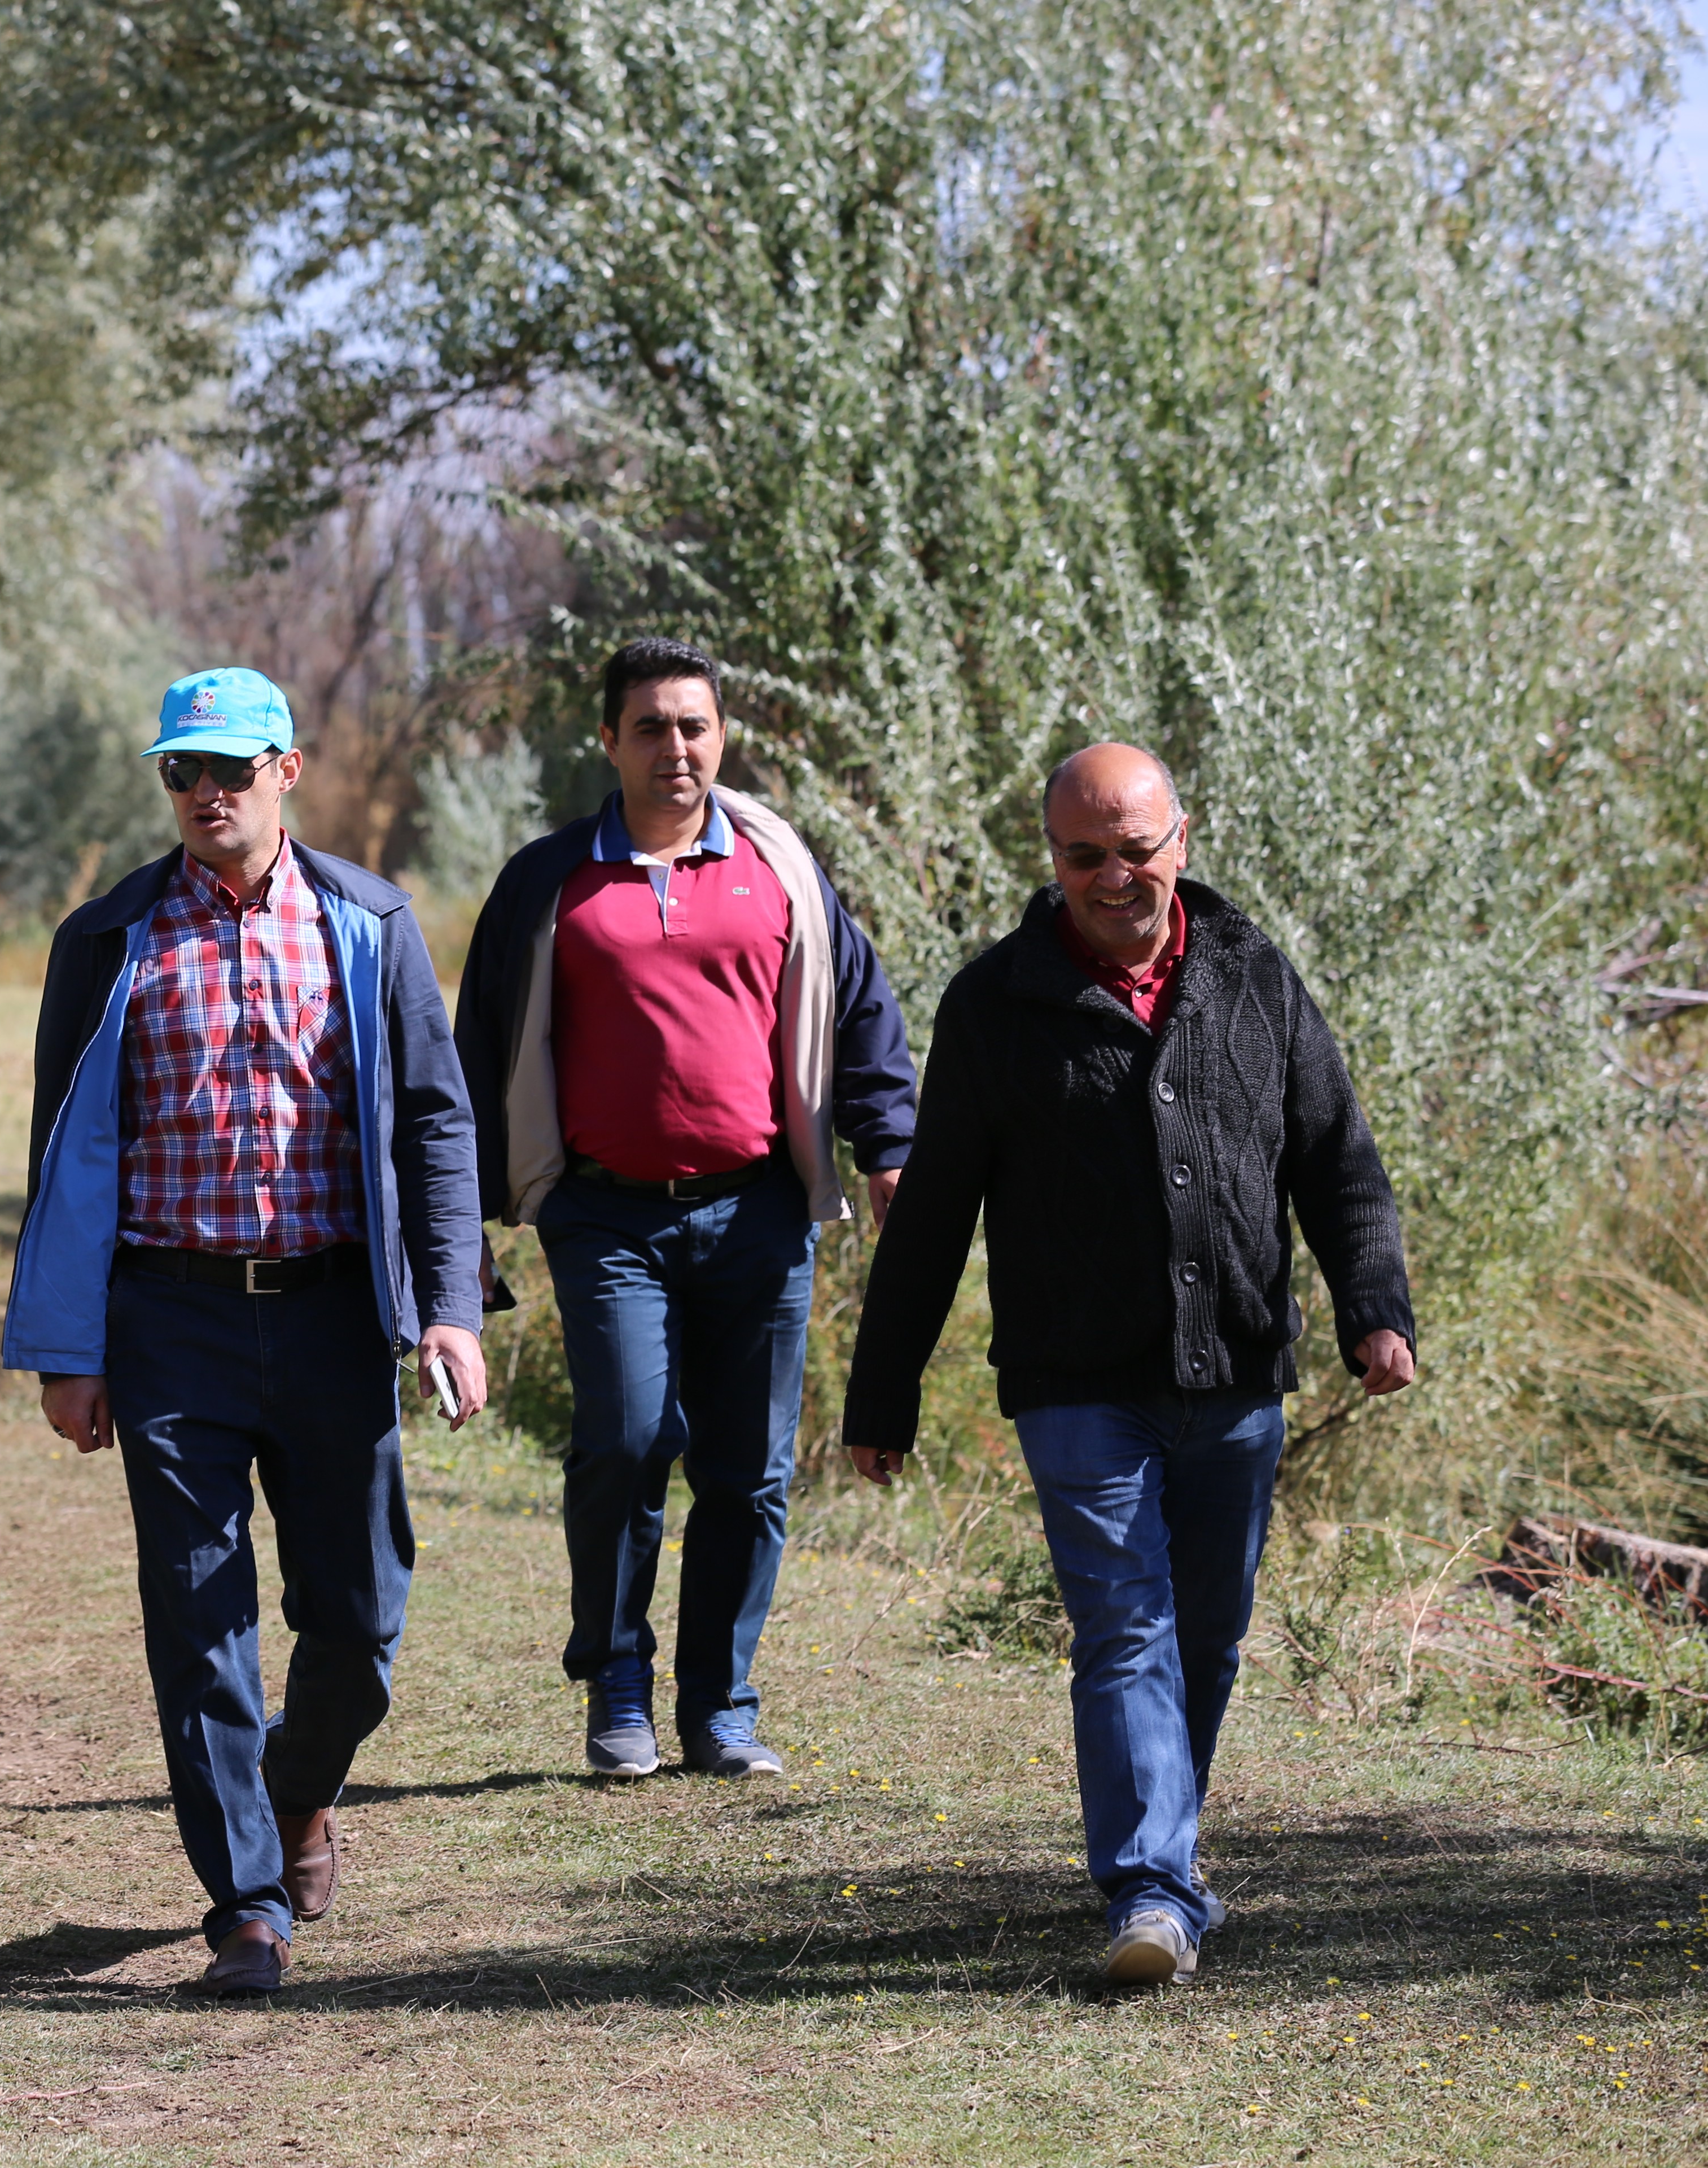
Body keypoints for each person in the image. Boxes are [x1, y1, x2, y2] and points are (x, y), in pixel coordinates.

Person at [839, 742, 1416, 1988]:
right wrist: (883, 1394)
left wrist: (1376, 1308)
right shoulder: (996, 1004)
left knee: (1206, 1635)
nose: (1113, 876)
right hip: (1076, 1383)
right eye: (1083, 855)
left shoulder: (1254, 975)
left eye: (1135, 849)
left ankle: (1168, 1858)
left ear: (1182, 841)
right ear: (1053, 861)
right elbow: (934, 1214)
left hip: (1238, 1380)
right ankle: (1151, 1892)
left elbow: (1337, 1158)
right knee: (1126, 1626)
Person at [5, 667, 485, 1998]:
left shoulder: (370, 920)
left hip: (334, 1309)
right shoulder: (105, 937)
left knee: (360, 1617)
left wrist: (446, 1305)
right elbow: (61, 1151)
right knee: (197, 1615)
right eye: (179, 771)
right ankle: (247, 1905)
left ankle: (291, 1788)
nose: (203, 792)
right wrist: (70, 1346)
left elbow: (436, 1123)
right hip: (169, 1320)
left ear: (286, 767)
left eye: (227, 767)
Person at [454, 639, 918, 1781]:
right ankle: (617, 1685)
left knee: (748, 1471)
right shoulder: (549, 879)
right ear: (607, 741)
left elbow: (860, 1011)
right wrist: (456, 1222)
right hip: (606, 1218)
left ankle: (720, 1705)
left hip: (758, 1212)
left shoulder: (780, 868)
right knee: (622, 1440)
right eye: (652, 727)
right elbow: (481, 1050)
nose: (677, 748)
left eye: (695, 727)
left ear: (724, 738)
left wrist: (890, 1146)